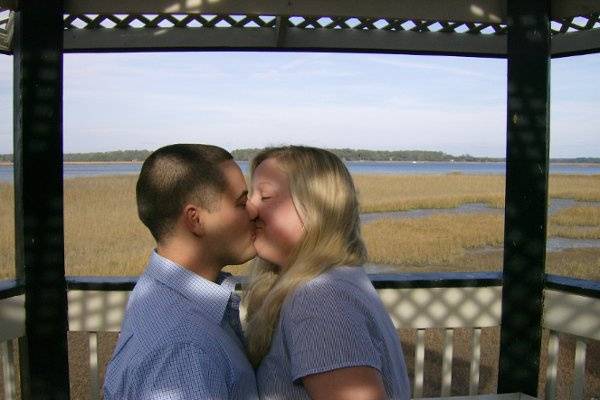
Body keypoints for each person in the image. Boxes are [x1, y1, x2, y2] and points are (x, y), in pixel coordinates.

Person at [244, 146, 411, 400]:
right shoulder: (335, 280)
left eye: (265, 197)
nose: (249, 209)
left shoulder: (320, 299)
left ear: (316, 210)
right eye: (249, 196)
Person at [104, 144, 258, 399]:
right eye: (241, 203)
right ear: (195, 219)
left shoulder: (161, 295)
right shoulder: (183, 351)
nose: (253, 211)